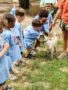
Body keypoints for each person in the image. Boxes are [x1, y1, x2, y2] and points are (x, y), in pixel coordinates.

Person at [0, 17, 10, 90]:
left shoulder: (1, 35)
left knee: (2, 76)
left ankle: (3, 86)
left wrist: (5, 47)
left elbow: (6, 45)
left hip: (2, 60)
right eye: (1, 29)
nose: (2, 30)